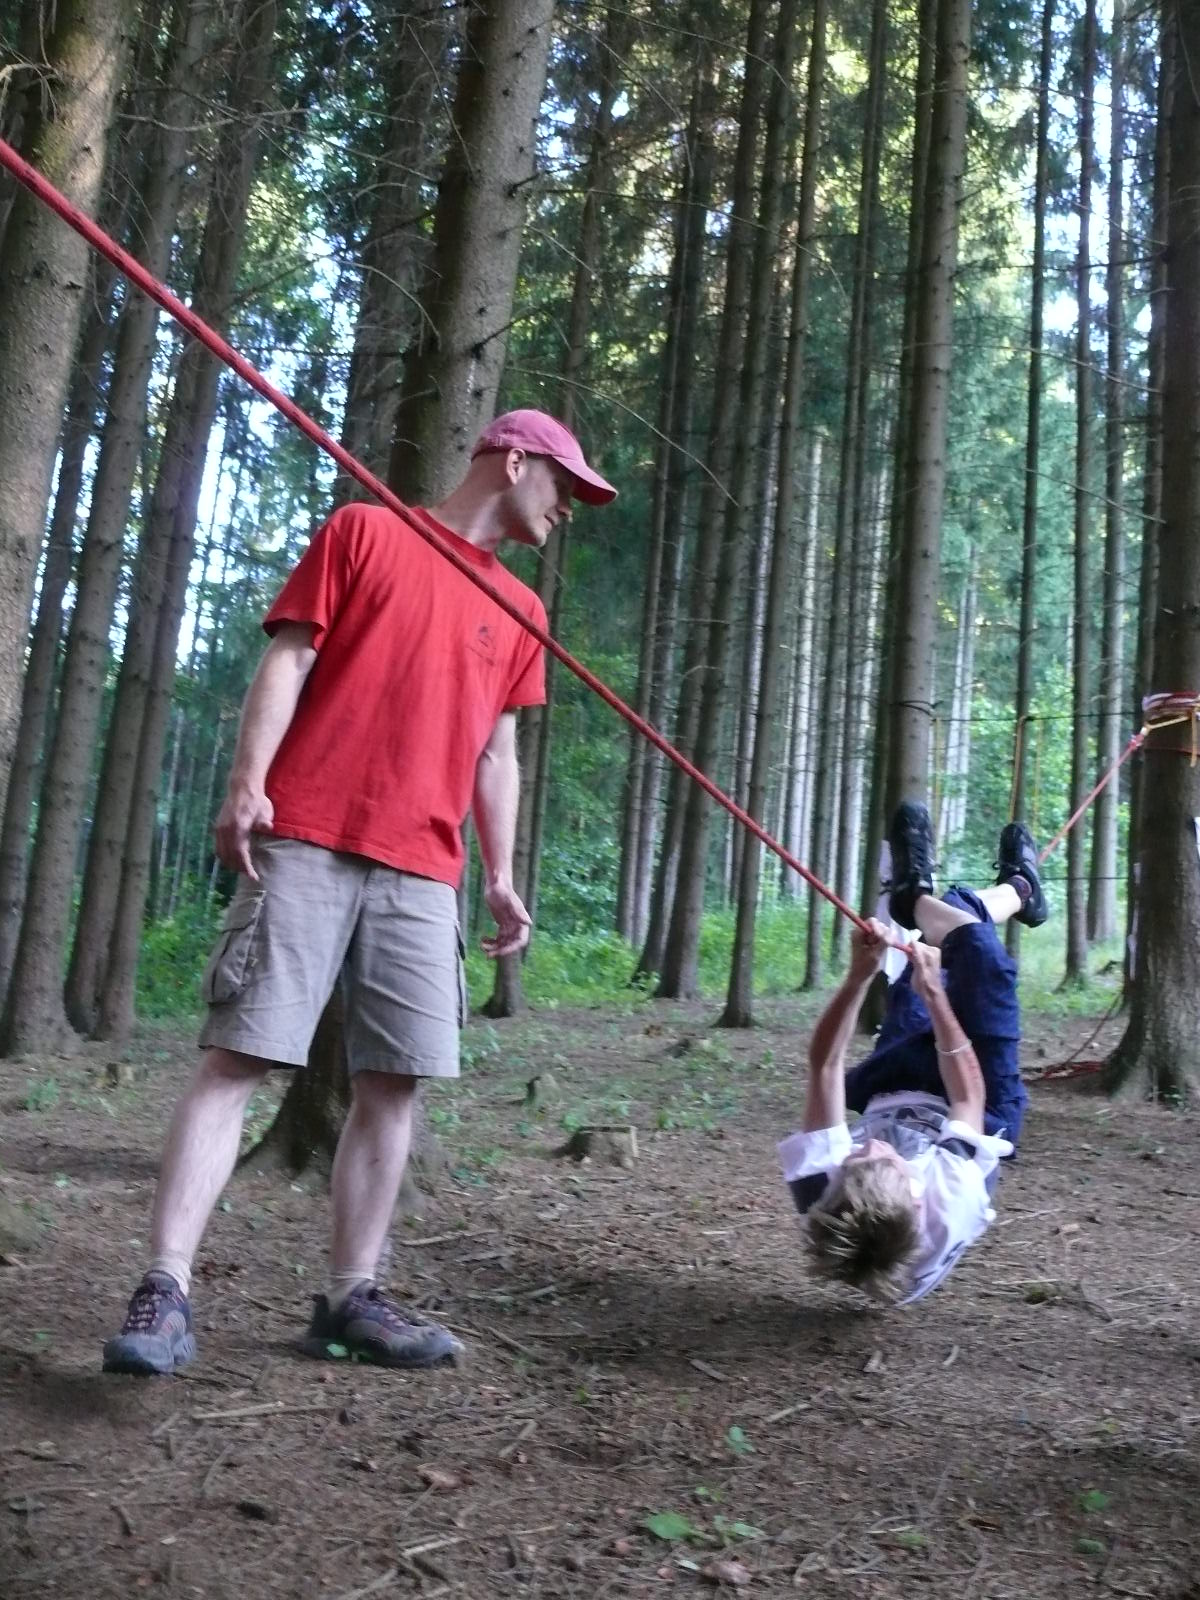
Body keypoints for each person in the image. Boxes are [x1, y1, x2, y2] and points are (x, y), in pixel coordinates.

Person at [102, 409, 617, 1376]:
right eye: (567, 486)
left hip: (426, 868)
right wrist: (248, 781)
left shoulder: (522, 610)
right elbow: (289, 657)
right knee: (239, 1057)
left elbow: (496, 752)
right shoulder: (364, 531)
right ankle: (164, 1289)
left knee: (394, 1081)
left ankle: (350, 1299)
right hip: (306, 835)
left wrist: (501, 873)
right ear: (515, 461)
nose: (571, 509)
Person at [779, 800, 1048, 1305]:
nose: (869, 1146)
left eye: (855, 1156)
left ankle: (1006, 892)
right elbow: (967, 1095)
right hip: (984, 1107)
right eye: (884, 1158)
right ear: (917, 1195)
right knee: (977, 952)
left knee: (932, 945)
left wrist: (858, 977)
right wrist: (936, 998)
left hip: (893, 1083)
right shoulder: (952, 1198)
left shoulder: (823, 1191)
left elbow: (825, 1065)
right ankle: (954, 895)